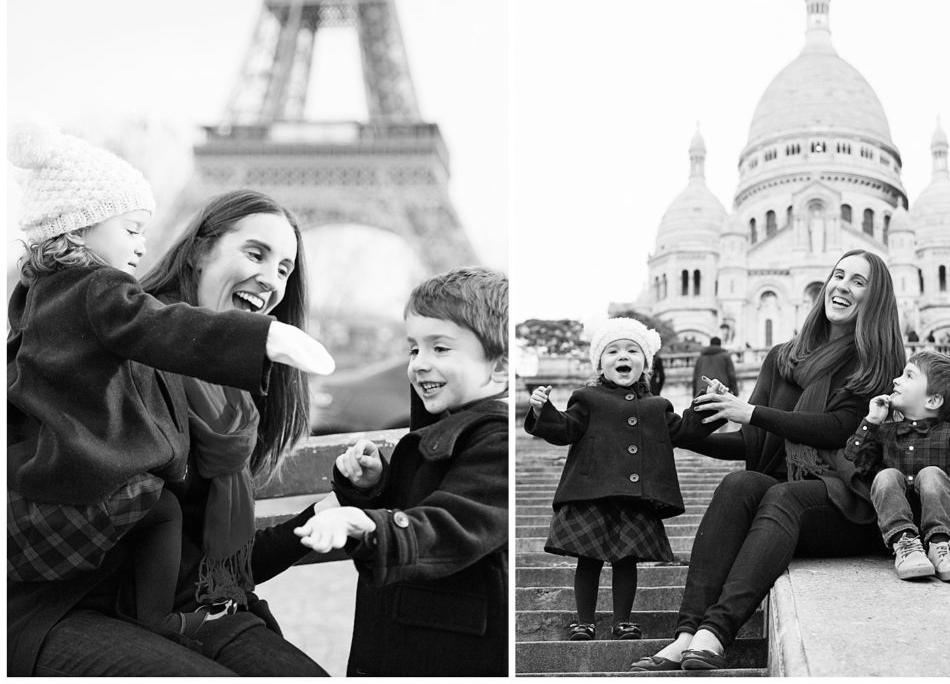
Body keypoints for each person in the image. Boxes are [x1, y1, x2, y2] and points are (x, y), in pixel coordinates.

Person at [6, 122, 333, 643]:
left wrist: (333, 509)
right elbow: (159, 327)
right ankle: (160, 621)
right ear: (82, 227)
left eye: (286, 269)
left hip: (206, 591)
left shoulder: (36, 294)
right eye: (255, 254)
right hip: (83, 590)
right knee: (160, 505)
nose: (273, 279)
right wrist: (261, 339)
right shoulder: (110, 299)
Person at [629, 249, 906, 672]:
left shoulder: (878, 362)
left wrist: (751, 411)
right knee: (739, 485)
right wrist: (677, 435)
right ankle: (686, 634)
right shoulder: (783, 358)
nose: (842, 287)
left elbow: (837, 428)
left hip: (851, 500)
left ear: (876, 297)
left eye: (858, 282)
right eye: (838, 276)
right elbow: (752, 441)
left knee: (783, 496)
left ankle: (715, 634)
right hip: (791, 494)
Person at [294, 266, 509, 676]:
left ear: (499, 367)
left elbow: (451, 525)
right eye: (414, 348)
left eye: (440, 349)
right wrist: (372, 489)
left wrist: (367, 523)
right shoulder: (443, 426)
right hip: (408, 632)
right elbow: (412, 507)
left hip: (452, 649)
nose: (419, 363)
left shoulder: (496, 442)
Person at [525, 317, 725, 643]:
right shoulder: (586, 398)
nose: (623, 356)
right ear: (600, 363)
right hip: (591, 493)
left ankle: (622, 622)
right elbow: (563, 428)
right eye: (613, 350)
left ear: (645, 363)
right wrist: (541, 410)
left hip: (635, 495)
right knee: (588, 560)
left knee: (626, 561)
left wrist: (709, 400)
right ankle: (584, 622)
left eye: (632, 350)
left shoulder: (657, 406)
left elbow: (686, 429)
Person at [844, 350, 950, 581]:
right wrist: (871, 422)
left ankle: (941, 547)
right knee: (886, 476)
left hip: (948, 526)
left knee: (931, 474)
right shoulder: (885, 433)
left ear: (932, 400)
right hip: (898, 531)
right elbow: (857, 464)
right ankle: (905, 545)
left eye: (909, 376)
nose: (896, 380)